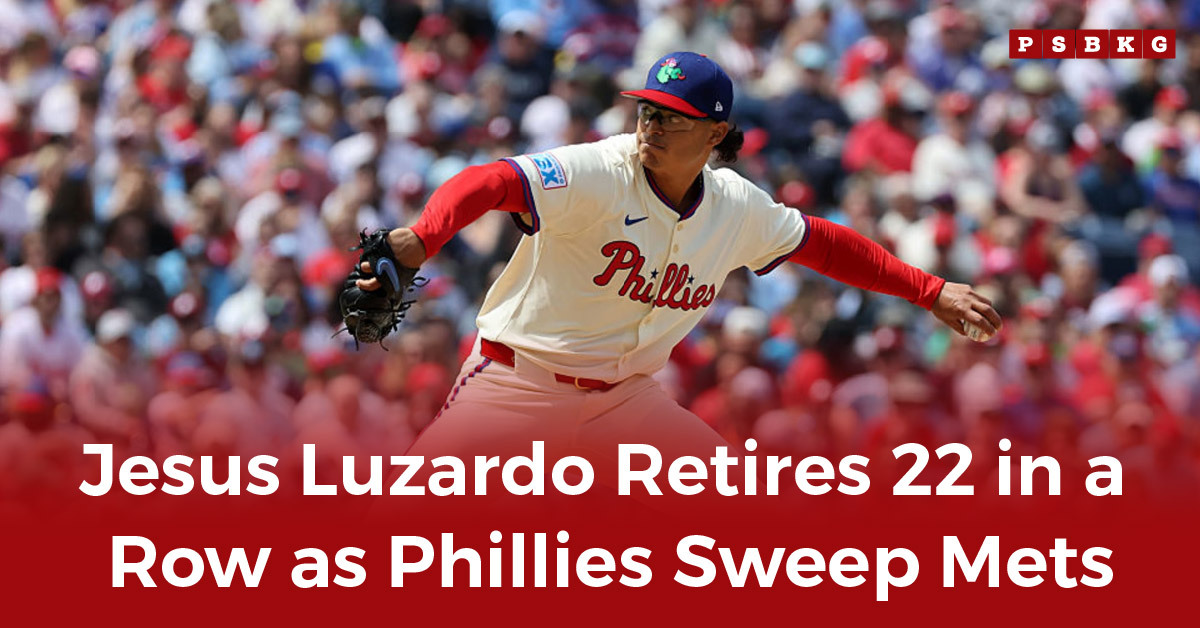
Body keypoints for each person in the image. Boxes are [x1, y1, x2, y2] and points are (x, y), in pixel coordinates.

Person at [355, 52, 1000, 472]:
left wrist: (929, 290)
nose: (652, 126)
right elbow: (492, 180)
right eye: (648, 110)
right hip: (517, 385)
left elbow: (823, 242)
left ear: (715, 133)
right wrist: (423, 236)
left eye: (673, 117)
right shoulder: (601, 170)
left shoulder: (735, 206)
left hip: (626, 403)